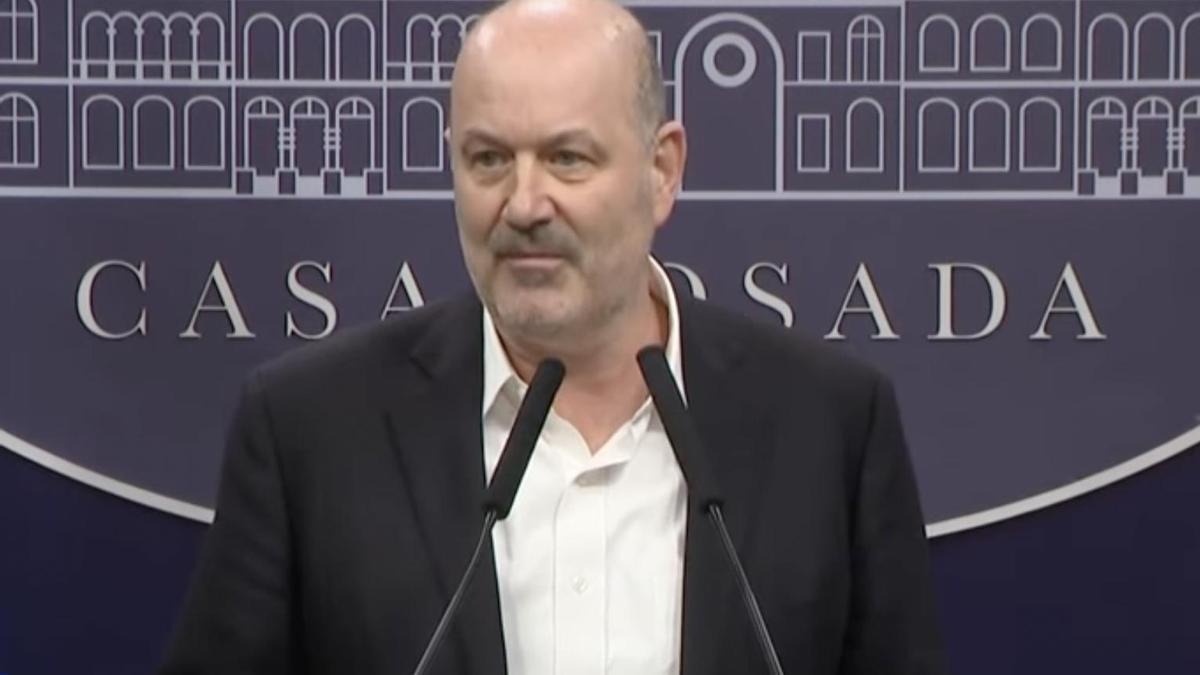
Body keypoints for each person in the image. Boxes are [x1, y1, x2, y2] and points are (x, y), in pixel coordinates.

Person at [161, 0, 945, 673]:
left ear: (663, 170)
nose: (524, 203)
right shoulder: (310, 428)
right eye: (489, 159)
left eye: (567, 159)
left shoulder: (830, 424)